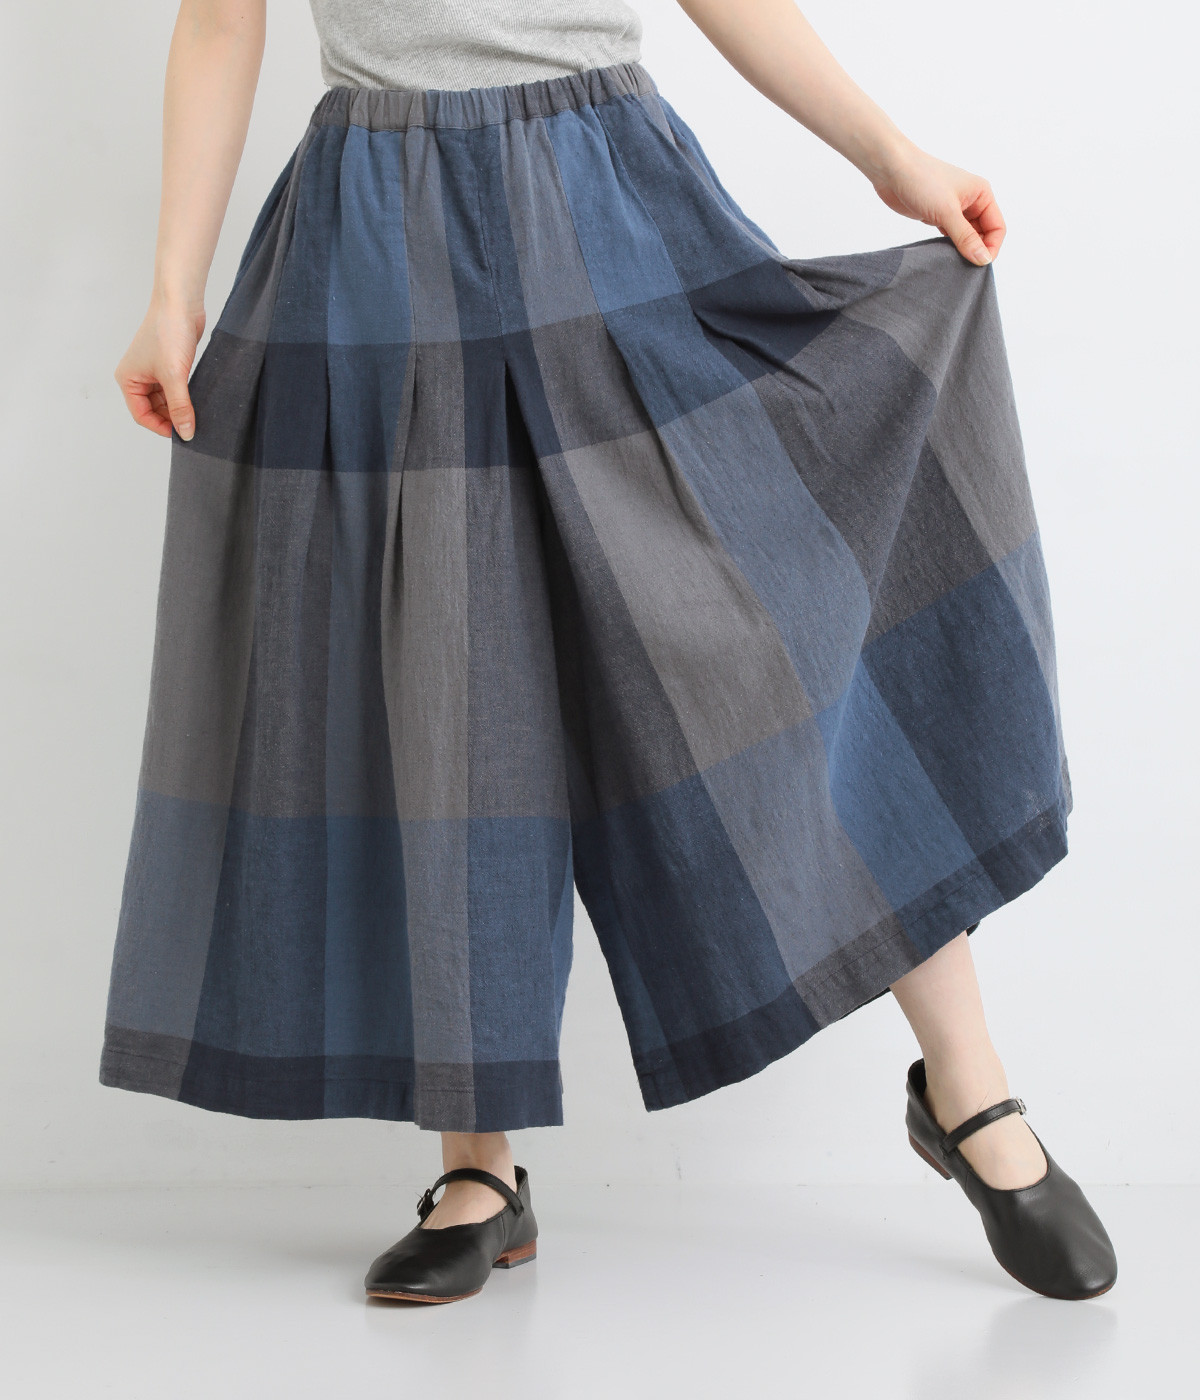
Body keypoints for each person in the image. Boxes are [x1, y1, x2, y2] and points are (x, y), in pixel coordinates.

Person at [103, 0, 1116, 1305]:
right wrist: (172, 292)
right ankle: (479, 1174)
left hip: (607, 199)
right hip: (377, 232)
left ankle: (967, 1092)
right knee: (446, 686)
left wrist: (890, 155)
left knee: (777, 643)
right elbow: (217, 20)